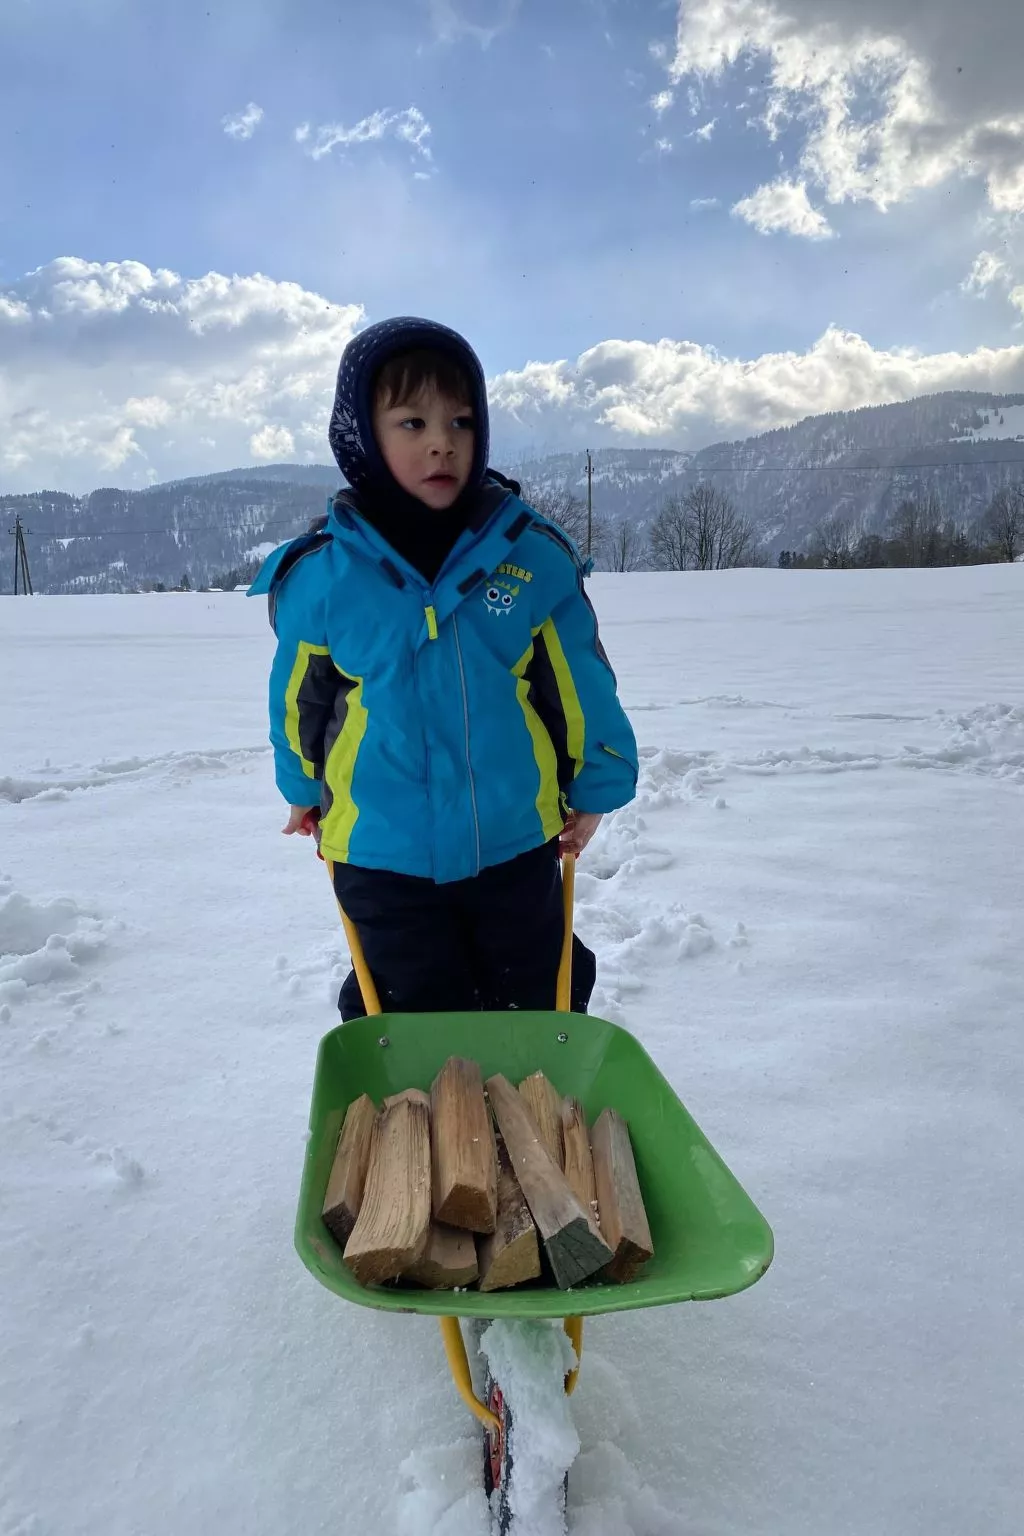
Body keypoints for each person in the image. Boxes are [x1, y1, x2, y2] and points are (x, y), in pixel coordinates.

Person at [249, 316, 638, 1019]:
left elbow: (580, 686)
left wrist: (596, 783)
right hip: (379, 847)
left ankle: (532, 1104)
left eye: (461, 420)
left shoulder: (529, 559)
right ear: (361, 437)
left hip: (513, 839)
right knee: (408, 1002)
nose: (441, 442)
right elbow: (297, 700)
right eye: (411, 422)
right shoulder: (325, 577)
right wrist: (301, 785)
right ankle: (421, 1114)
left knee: (537, 989)